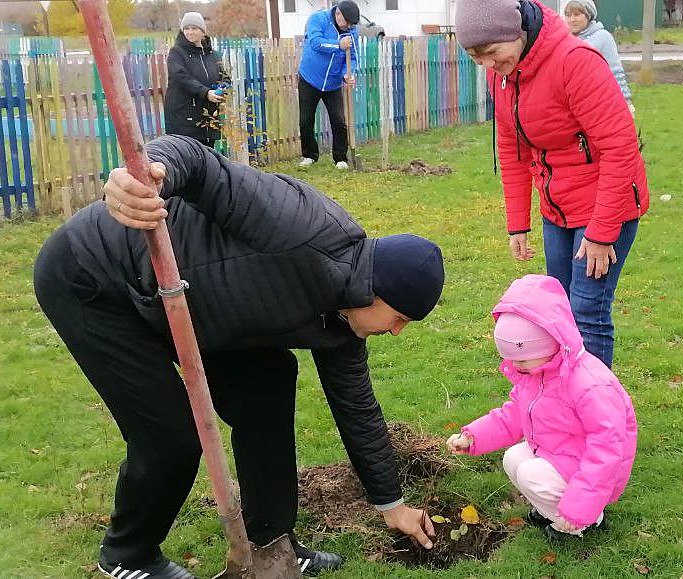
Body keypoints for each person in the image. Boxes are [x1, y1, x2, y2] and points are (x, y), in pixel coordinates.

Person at [33, 135, 443, 578]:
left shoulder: (342, 324)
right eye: (399, 316)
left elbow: (357, 409)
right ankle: (127, 555)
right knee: (169, 435)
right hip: (94, 279)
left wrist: (391, 504)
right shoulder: (300, 224)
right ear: (376, 288)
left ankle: (270, 541)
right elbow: (201, 164)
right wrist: (147, 175)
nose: (396, 331)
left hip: (192, 305)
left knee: (270, 381)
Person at [455, 0, 650, 368]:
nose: (486, 65)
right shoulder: (501, 74)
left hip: (607, 204)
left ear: (517, 31)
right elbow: (512, 148)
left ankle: (596, 411)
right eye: (474, 56)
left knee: (587, 311)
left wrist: (602, 232)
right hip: (556, 207)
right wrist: (518, 223)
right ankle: (564, 401)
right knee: (559, 311)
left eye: (491, 53)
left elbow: (620, 147)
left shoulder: (576, 61)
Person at [447, 274, 637, 540]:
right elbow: (512, 414)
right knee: (513, 459)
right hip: (559, 451)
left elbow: (607, 448)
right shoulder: (537, 374)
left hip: (588, 465)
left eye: (524, 359)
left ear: (551, 342)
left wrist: (581, 505)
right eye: (513, 360)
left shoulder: (590, 385)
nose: (517, 367)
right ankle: (553, 510)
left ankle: (586, 520)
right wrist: (472, 436)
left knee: (530, 474)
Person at [297, 0, 361, 170]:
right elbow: (316, 42)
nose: (348, 26)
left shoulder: (352, 32)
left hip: (332, 83)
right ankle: (309, 155)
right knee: (306, 119)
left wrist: (348, 73)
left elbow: (352, 56)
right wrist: (338, 45)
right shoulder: (318, 19)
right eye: (346, 22)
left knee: (339, 120)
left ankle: (340, 157)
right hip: (310, 77)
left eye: (351, 24)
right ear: (338, 14)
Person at [164, 12, 227, 148]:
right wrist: (205, 93)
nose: (190, 32)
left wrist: (222, 88)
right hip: (185, 117)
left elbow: (224, 76)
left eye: (194, 28)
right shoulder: (177, 53)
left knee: (208, 158)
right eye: (186, 28)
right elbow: (181, 77)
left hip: (208, 115)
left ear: (202, 31)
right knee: (190, 158)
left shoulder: (212, 54)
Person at [562, 0, 635, 116]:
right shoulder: (563, 40)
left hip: (597, 104)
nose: (572, 20)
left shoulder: (602, 38)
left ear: (588, 15)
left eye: (577, 15)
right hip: (569, 108)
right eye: (568, 15)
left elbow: (615, 71)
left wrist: (626, 102)